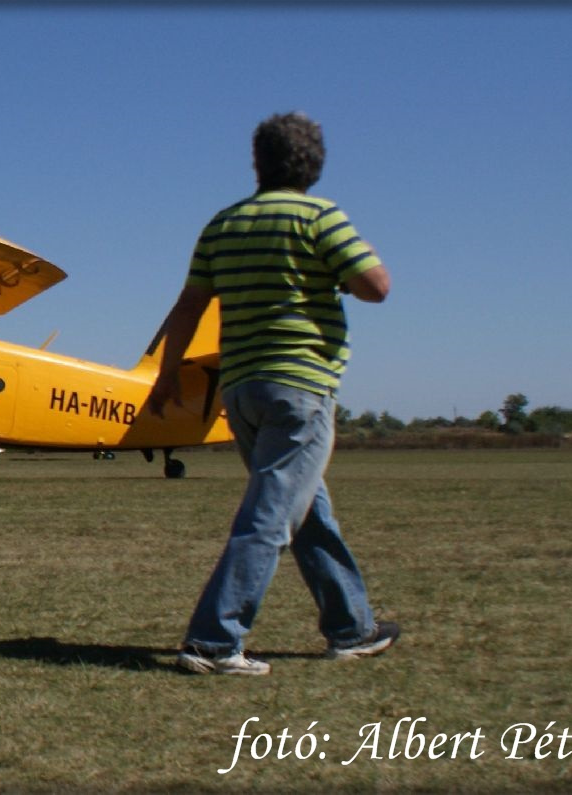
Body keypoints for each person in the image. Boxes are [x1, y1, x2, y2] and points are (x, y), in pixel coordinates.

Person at [145, 111, 399, 676]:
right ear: (315, 164)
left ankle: (351, 628)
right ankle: (214, 641)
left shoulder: (224, 223)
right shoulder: (321, 216)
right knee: (270, 516)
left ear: (257, 162)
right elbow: (375, 287)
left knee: (303, 510)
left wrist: (166, 378)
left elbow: (188, 307)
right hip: (300, 387)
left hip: (241, 392)